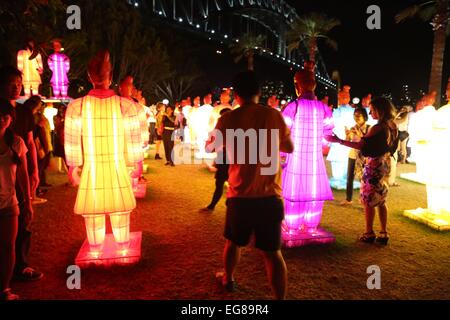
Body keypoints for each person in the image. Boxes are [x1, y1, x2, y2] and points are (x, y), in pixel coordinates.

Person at [207, 71, 293, 299]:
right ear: (259, 92)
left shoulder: (228, 119)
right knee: (273, 253)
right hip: (270, 196)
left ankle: (228, 278)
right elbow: (289, 147)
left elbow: (210, 147)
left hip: (240, 195)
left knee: (233, 242)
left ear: (236, 95)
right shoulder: (273, 116)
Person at [64, 50, 143, 251]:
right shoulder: (124, 106)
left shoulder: (77, 106)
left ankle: (101, 245)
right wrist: (137, 162)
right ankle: (110, 244)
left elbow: (72, 142)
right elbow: (134, 139)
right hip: (110, 168)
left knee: (100, 209)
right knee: (111, 208)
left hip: (97, 169)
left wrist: (73, 166)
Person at [330, 97, 398, 245]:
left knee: (368, 200)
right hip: (385, 163)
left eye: (372, 110)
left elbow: (361, 145)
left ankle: (369, 233)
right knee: (381, 199)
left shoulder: (377, 127)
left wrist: (339, 141)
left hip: (374, 164)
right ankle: (384, 232)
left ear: (380, 110)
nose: (371, 112)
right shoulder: (392, 125)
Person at [0, 66, 43, 281]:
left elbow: (30, 142)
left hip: (21, 169)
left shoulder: (24, 112)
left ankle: (21, 264)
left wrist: (35, 170)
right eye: (11, 83)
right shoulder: (2, 112)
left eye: (18, 83)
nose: (16, 87)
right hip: (5, 171)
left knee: (25, 213)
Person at [0, 100, 33, 300]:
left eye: (6, 115)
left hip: (9, 204)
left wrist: (28, 201)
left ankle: (4, 288)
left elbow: (23, 175)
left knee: (8, 247)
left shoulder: (16, 142)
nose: (2, 119)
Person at [201, 108, 231, 212]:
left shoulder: (224, 127)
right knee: (222, 183)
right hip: (227, 158)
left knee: (221, 183)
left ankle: (214, 205)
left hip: (227, 159)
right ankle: (214, 205)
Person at [341, 107, 371, 205]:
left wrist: (360, 133)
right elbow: (348, 142)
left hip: (364, 157)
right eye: (355, 115)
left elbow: (368, 142)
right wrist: (346, 135)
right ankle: (348, 199)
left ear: (364, 116)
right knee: (350, 177)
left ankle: (364, 199)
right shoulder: (352, 128)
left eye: (359, 115)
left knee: (364, 179)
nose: (356, 117)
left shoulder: (369, 128)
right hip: (353, 155)